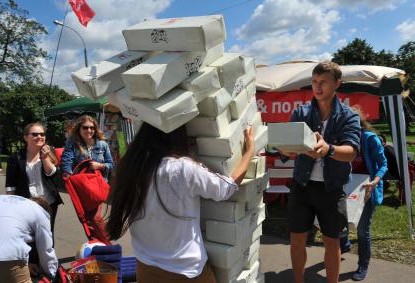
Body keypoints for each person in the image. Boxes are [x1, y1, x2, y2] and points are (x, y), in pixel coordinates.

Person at [106, 122, 255, 283]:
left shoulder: (131, 168)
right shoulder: (183, 169)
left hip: (146, 268)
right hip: (185, 272)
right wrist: (249, 152)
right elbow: (226, 188)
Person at [281, 61, 361, 283]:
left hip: (331, 189)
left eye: (323, 82)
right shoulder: (301, 112)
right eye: (314, 82)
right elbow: (284, 146)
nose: (317, 87)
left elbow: (352, 152)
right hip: (302, 185)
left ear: (337, 83)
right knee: (297, 239)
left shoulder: (349, 116)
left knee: (331, 241)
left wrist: (329, 149)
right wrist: (286, 149)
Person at [340, 109, 387, 281]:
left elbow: (383, 164)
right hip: (347, 187)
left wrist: (374, 182)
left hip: (367, 189)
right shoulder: (343, 140)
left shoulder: (369, 139)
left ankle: (363, 265)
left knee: (362, 230)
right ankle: (344, 245)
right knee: (340, 221)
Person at [61, 115, 114, 242]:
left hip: (98, 186)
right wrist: (67, 174)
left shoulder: (102, 145)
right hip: (82, 188)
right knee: (86, 219)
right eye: (85, 127)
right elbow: (66, 161)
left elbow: (111, 165)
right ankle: (96, 245)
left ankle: (108, 244)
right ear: (79, 128)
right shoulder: (72, 144)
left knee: (95, 218)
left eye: (92, 128)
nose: (89, 130)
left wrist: (100, 165)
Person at [5, 122, 63, 232]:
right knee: (28, 235)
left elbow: (53, 175)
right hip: (25, 204)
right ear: (26, 137)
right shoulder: (16, 158)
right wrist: (10, 208)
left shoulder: (50, 153)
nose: (39, 137)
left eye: (42, 134)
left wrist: (45, 158)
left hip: (48, 203)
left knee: (48, 234)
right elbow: (10, 186)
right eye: (35, 134)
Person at [0, 195, 58, 282]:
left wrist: (27, 264)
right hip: (7, 256)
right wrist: (52, 274)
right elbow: (46, 250)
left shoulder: (0, 198)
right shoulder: (41, 213)